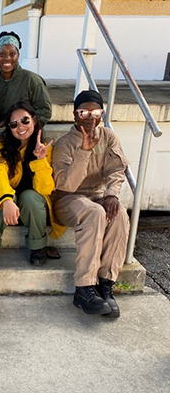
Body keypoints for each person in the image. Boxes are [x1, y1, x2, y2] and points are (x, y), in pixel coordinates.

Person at [52, 90, 130, 318]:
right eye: (83, 111)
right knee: (95, 212)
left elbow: (116, 168)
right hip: (67, 200)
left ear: (102, 113)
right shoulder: (64, 144)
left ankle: (105, 284)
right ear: (75, 114)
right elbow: (66, 184)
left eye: (95, 111)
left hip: (97, 196)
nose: (89, 117)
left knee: (120, 214)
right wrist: (85, 151)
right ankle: (84, 288)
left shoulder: (108, 136)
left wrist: (112, 194)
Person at [0, 102, 66, 265]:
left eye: (25, 120)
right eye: (14, 124)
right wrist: (7, 200)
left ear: (34, 120)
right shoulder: (2, 146)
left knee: (30, 196)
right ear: (9, 127)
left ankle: (38, 246)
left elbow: (45, 188)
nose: (20, 126)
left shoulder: (46, 149)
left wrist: (41, 160)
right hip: (9, 208)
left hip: (33, 209)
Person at [0, 31, 52, 131]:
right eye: (2, 54)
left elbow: (45, 111)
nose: (7, 58)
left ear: (18, 56)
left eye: (12, 54)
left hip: (23, 132)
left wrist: (17, 123)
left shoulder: (32, 80)